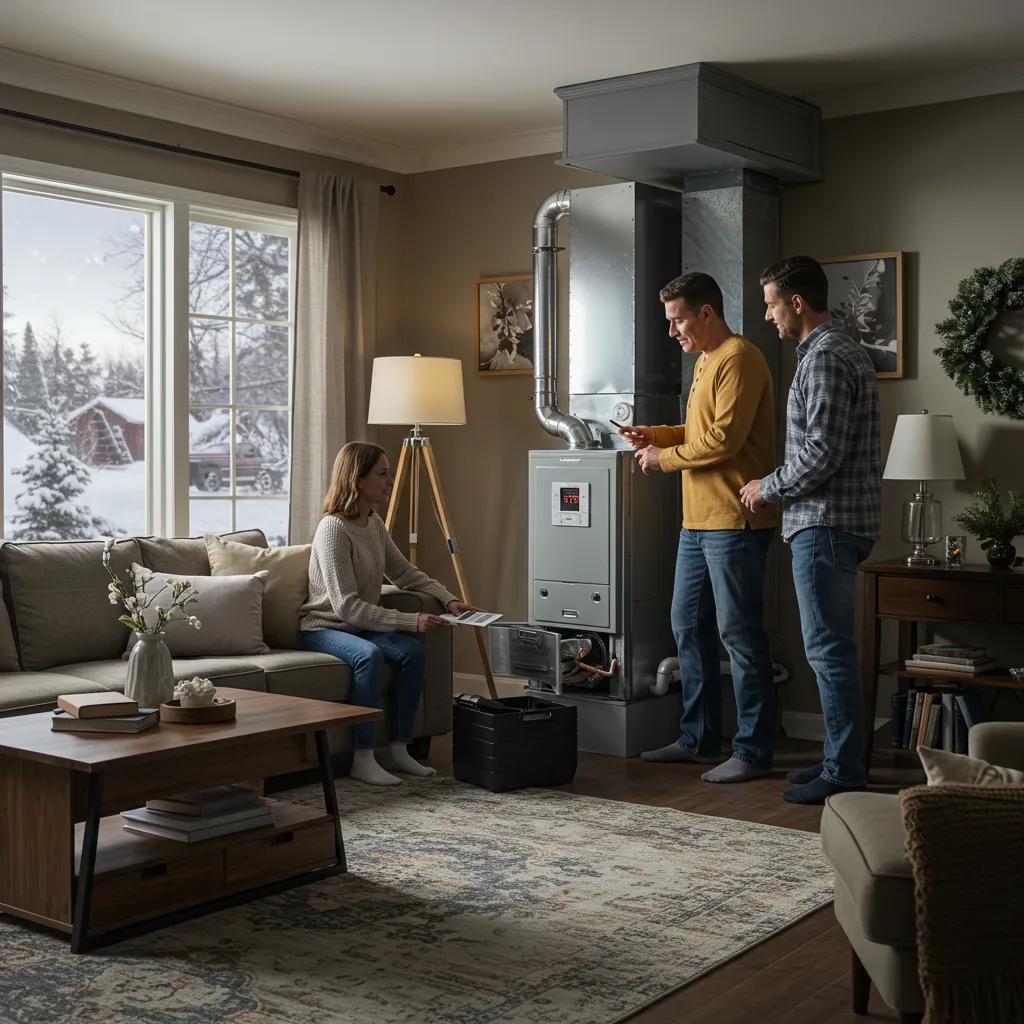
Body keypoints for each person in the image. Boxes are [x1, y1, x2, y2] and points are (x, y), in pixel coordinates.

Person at [622, 272, 778, 783]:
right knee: (687, 626)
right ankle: (698, 739)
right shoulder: (707, 361)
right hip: (697, 522)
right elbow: (700, 430)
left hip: (734, 522)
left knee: (740, 635)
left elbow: (724, 441)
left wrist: (662, 457)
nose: (672, 332)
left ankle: (753, 751)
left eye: (677, 320)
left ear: (705, 313)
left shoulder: (739, 357)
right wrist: (658, 433)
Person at [740, 255, 881, 805]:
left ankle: (844, 772)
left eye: (772, 304)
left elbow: (821, 452)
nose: (769, 316)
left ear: (796, 302)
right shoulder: (840, 351)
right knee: (832, 649)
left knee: (827, 651)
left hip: (824, 524)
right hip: (834, 523)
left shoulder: (823, 358)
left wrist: (765, 487)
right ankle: (839, 760)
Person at [299, 441, 478, 786]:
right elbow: (346, 607)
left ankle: (398, 748)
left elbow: (404, 573)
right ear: (357, 479)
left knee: (412, 652)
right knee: (369, 656)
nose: (390, 481)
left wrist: (449, 600)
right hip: (322, 627)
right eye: (382, 474)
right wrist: (412, 620)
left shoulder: (374, 523)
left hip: (357, 625)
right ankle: (363, 757)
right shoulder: (333, 528)